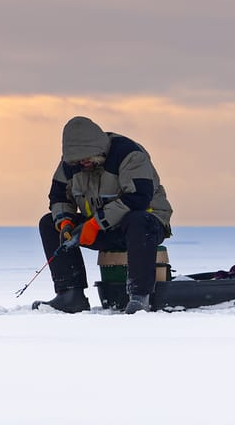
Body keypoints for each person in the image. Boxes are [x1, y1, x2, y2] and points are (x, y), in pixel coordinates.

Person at [33, 116, 173, 314]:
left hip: (145, 226)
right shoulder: (70, 164)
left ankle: (140, 296)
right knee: (48, 223)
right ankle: (71, 294)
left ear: (99, 148)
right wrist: (64, 222)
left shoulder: (129, 154)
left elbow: (138, 198)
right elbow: (58, 197)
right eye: (78, 160)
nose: (83, 163)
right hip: (102, 228)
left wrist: (95, 224)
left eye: (87, 158)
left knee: (139, 220)